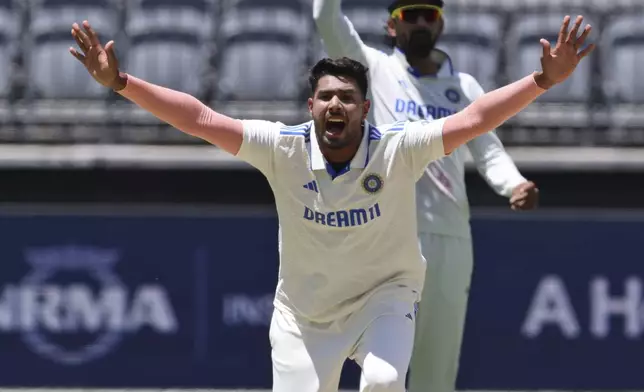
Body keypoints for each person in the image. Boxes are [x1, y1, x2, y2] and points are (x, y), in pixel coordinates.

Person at [69, 17, 592, 392]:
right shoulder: (282, 147)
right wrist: (120, 82)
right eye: (325, 97)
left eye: (346, 97)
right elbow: (202, 120)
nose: (335, 105)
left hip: (384, 299)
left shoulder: (398, 148)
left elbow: (473, 121)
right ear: (311, 106)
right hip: (305, 316)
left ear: (366, 107)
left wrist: (543, 80)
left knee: (386, 381)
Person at [312, 1, 545, 390]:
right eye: (410, 15)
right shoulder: (373, 69)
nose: (420, 22)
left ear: (440, 24)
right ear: (391, 26)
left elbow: (487, 151)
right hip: (389, 238)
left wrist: (515, 184)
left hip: (450, 239)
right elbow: (326, 18)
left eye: (429, 15)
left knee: (436, 374)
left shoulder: (463, 86)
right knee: (383, 372)